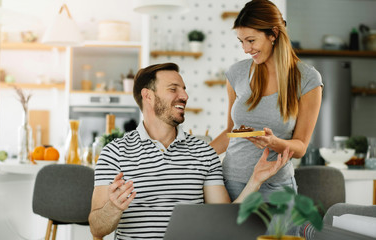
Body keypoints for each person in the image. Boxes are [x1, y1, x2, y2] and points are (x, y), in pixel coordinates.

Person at [88, 62, 293, 240]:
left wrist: (255, 180)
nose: (184, 95)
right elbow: (97, 229)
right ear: (147, 96)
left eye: (184, 89)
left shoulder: (204, 153)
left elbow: (223, 218)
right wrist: (113, 207)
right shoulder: (114, 153)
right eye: (173, 89)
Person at [210, 0, 323, 202]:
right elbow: (231, 133)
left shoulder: (307, 79)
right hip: (231, 182)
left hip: (276, 188)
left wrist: (274, 143)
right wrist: (195, 156)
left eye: (251, 41)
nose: (245, 49)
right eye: (241, 41)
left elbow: (300, 147)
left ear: (273, 34)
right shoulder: (237, 73)